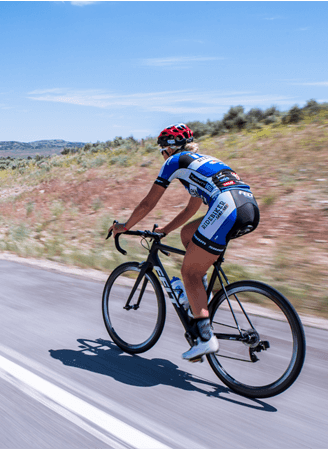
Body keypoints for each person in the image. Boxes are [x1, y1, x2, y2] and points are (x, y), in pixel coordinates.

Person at [107, 123, 260, 361]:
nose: (162, 155)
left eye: (162, 151)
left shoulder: (174, 161)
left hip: (227, 207)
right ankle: (199, 297)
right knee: (188, 234)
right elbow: (191, 209)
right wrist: (166, 230)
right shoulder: (202, 162)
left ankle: (205, 338)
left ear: (169, 149)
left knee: (189, 273)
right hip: (248, 207)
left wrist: (125, 226)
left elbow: (148, 203)